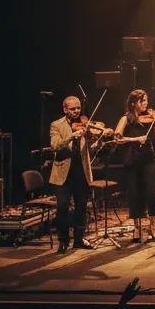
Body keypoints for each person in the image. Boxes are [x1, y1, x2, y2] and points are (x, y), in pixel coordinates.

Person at [113, 89, 155, 244]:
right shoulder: (126, 119)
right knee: (134, 194)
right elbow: (117, 138)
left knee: (152, 193)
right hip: (132, 159)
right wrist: (136, 139)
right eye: (142, 101)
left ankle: (153, 226)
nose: (146, 104)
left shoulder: (152, 119)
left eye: (146, 100)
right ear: (133, 103)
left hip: (149, 159)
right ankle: (137, 228)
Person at [49, 95, 97, 253]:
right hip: (63, 172)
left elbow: (91, 147)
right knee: (62, 206)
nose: (77, 111)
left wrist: (100, 138)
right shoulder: (56, 125)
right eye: (73, 108)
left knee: (81, 206)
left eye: (78, 108)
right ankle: (63, 240)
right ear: (65, 109)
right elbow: (55, 145)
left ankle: (78, 239)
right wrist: (71, 136)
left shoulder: (85, 124)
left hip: (81, 171)